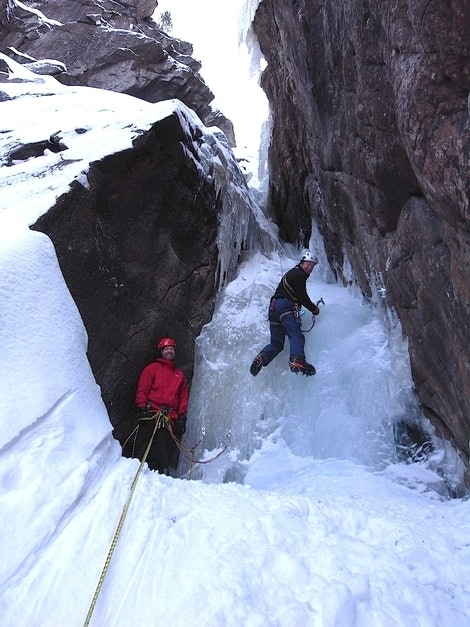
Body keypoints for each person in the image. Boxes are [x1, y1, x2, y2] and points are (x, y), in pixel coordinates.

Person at [250, 250, 320, 377]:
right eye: (308, 264)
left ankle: (262, 357)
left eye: (312, 266)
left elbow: (297, 295)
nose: (310, 267)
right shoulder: (298, 274)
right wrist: (313, 309)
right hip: (285, 306)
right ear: (302, 263)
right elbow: (302, 296)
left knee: (277, 343)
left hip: (273, 309)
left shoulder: (293, 273)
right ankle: (297, 359)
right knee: (296, 335)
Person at [133, 337, 189, 474]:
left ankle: (160, 471)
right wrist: (141, 407)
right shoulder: (152, 369)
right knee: (150, 445)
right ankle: (146, 470)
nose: (169, 351)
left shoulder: (179, 375)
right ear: (161, 351)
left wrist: (182, 416)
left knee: (165, 448)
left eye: (171, 349)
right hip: (153, 412)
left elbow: (183, 397)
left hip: (170, 416)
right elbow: (143, 389)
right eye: (166, 349)